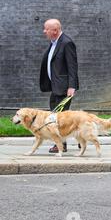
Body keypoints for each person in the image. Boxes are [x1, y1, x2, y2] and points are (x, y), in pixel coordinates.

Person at [39, 19, 79, 153]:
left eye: (46, 29)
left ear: (55, 31)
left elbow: (72, 66)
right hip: (55, 87)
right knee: (55, 116)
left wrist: (72, 86)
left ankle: (62, 145)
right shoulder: (54, 43)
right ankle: (74, 139)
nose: (44, 31)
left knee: (59, 118)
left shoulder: (66, 43)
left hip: (64, 88)